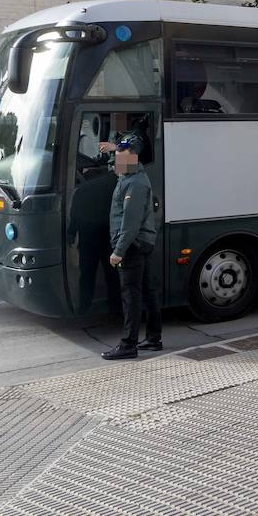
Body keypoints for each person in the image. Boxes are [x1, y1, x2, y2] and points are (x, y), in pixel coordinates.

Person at [101, 139, 162, 359]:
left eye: (122, 156)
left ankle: (128, 345)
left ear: (133, 157)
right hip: (140, 243)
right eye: (117, 156)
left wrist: (119, 251)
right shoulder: (128, 175)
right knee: (147, 291)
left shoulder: (135, 183)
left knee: (131, 295)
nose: (117, 160)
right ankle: (154, 339)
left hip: (133, 245)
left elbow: (130, 222)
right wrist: (112, 148)